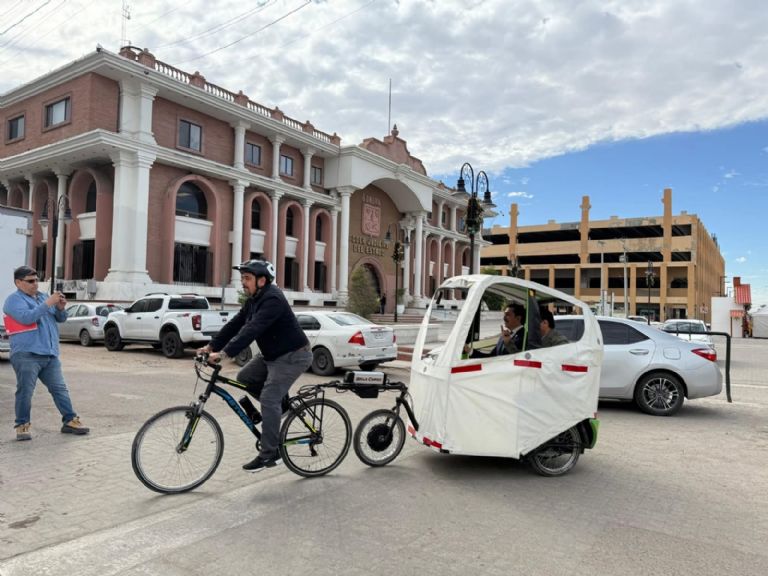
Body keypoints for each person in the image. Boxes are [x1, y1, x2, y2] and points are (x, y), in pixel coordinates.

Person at [198, 259, 312, 473]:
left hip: (294, 356)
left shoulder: (273, 299)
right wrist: (211, 345)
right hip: (271, 355)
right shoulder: (253, 300)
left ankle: (270, 454)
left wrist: (224, 354)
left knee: (269, 398)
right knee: (244, 378)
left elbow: (252, 329)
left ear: (262, 280)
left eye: (247, 278)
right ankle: (281, 407)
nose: (243, 282)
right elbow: (235, 325)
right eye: (242, 278)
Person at [3, 265, 90, 441]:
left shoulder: (42, 297)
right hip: (27, 354)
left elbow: (61, 319)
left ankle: (70, 421)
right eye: (30, 281)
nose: (35, 284)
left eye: (36, 280)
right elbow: (27, 318)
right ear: (18, 282)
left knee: (60, 389)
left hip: (49, 354)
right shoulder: (13, 301)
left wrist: (60, 308)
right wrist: (48, 303)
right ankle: (22, 425)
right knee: (25, 391)